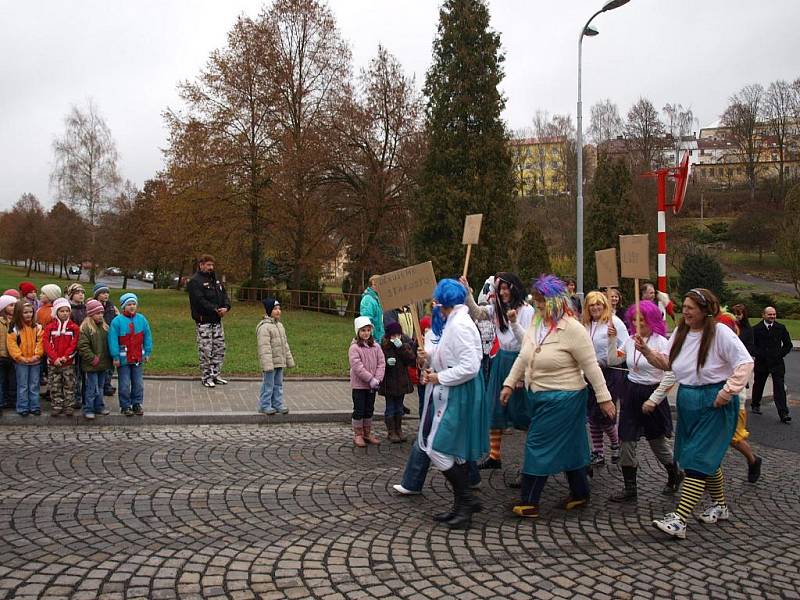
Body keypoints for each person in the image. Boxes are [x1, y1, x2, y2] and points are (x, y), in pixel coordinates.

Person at [640, 288, 753, 540]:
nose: (685, 311)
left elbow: (745, 362)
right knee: (704, 456)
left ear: (705, 310)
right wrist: (647, 352)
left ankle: (680, 519)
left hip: (714, 400)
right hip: (688, 399)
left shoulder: (721, 332)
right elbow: (668, 363)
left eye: (691, 307)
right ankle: (720, 506)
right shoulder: (681, 332)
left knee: (699, 459)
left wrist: (727, 392)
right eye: (685, 307)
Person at [500, 275, 615, 519]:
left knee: (537, 445)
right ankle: (580, 493)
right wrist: (509, 383)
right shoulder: (535, 321)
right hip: (540, 395)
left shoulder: (573, 329)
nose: (539, 305)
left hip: (565, 398)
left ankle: (529, 501)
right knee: (572, 446)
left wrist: (604, 398)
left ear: (556, 301)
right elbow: (524, 355)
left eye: (543, 301)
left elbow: (591, 365)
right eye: (537, 300)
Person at [416, 279, 487, 530]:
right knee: (450, 450)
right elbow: (449, 355)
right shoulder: (454, 322)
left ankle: (466, 501)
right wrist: (431, 358)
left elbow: (469, 366)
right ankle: (462, 504)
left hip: (460, 392)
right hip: (454, 389)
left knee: (438, 447)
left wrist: (438, 376)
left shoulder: (460, 325)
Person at [606, 301, 682, 502]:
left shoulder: (661, 343)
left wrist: (654, 399)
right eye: (634, 319)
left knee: (657, 442)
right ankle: (630, 487)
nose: (638, 323)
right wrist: (612, 339)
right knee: (626, 439)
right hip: (631, 392)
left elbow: (670, 372)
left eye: (642, 320)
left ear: (652, 320)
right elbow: (614, 360)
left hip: (652, 394)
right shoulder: (631, 340)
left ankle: (674, 473)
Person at [462, 272, 533, 471]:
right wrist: (467, 291)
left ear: (514, 288)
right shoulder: (496, 309)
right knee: (495, 407)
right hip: (501, 361)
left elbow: (528, 341)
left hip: (521, 360)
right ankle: (494, 456)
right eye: (499, 288)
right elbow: (476, 312)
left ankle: (530, 462)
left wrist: (521, 375)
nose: (502, 292)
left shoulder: (527, 311)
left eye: (505, 288)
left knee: (524, 413)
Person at [582, 290, 628, 466]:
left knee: (605, 413)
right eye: (591, 304)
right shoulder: (585, 324)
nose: (595, 307)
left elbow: (625, 346)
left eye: (598, 304)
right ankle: (598, 452)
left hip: (610, 372)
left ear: (604, 305)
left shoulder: (614, 322)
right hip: (589, 372)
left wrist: (612, 348)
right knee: (592, 414)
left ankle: (616, 444)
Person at [719, 308, 762, 483]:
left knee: (734, 438)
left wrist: (728, 392)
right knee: (711, 437)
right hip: (713, 399)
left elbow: (744, 369)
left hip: (735, 400)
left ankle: (753, 460)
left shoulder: (735, 348)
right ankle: (708, 475)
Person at [187, 254, 231, 388]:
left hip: (217, 321)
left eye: (212, 265)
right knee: (206, 350)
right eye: (208, 265)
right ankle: (206, 376)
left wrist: (226, 307)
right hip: (204, 321)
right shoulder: (195, 281)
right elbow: (199, 300)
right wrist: (215, 309)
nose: (211, 267)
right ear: (201, 265)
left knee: (219, 348)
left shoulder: (215, 280)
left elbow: (224, 295)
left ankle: (216, 374)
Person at [109, 293, 153, 417]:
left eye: (134, 304)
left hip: (138, 357)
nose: (132, 306)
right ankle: (125, 405)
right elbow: (112, 340)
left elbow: (147, 336)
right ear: (123, 307)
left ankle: (137, 403)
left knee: (138, 383)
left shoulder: (141, 319)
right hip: (123, 359)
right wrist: (115, 356)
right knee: (124, 384)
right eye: (129, 304)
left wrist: (147, 352)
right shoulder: (117, 322)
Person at [750, 306, 792, 423]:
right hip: (762, 362)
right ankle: (755, 404)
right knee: (759, 384)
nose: (772, 316)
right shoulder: (756, 329)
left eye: (774, 314)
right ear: (763, 315)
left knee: (779, 387)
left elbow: (788, 345)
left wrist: (780, 354)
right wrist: (759, 354)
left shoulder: (781, 328)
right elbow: (751, 346)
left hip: (777, 363)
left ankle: (783, 413)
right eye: (770, 314)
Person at [349, 316, 385, 447]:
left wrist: (377, 379)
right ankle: (358, 434)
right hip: (360, 385)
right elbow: (357, 367)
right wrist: (370, 378)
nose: (366, 333)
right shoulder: (354, 348)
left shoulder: (376, 346)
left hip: (372, 385)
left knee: (369, 408)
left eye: (368, 330)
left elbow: (381, 363)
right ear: (358, 332)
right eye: (363, 330)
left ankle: (367, 432)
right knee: (359, 409)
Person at [256, 299, 295, 415]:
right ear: (269, 311)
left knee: (278, 384)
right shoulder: (264, 327)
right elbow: (264, 348)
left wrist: (289, 359)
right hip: (270, 363)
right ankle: (265, 405)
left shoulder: (280, 326)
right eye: (275, 309)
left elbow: (285, 345)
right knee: (268, 384)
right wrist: (268, 364)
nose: (278, 311)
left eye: (279, 308)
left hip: (279, 361)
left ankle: (277, 403)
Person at [379, 321, 416, 442]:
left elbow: (411, 359)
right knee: (390, 407)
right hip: (389, 383)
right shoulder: (384, 347)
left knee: (399, 408)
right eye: (393, 336)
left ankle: (398, 429)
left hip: (401, 382)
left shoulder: (404, 345)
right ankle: (391, 431)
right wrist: (387, 362)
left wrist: (401, 348)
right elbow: (380, 362)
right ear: (389, 336)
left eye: (398, 335)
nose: (396, 338)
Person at [6, 300, 44, 416]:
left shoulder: (37, 327)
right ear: (19, 313)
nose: (28, 315)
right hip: (21, 362)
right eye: (25, 312)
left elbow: (40, 342)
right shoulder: (14, 329)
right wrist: (20, 357)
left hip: (35, 361)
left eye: (30, 312)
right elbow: (12, 345)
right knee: (22, 385)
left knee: (34, 384)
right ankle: (23, 407)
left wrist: (37, 355)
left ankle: (34, 406)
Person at [42, 298, 80, 416]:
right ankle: (57, 405)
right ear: (56, 312)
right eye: (61, 311)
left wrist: (65, 357)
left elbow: (74, 344)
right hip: (53, 363)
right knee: (55, 385)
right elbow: (46, 344)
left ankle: (69, 405)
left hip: (68, 363)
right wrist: (55, 358)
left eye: (67, 311)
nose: (64, 313)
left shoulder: (74, 328)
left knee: (69, 384)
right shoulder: (50, 327)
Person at [77, 299, 112, 420]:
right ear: (91, 314)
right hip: (92, 364)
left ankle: (99, 406)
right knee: (91, 387)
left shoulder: (105, 327)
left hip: (103, 364)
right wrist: (92, 358)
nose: (100, 316)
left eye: (102, 313)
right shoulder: (86, 328)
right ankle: (89, 408)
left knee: (101, 386)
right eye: (98, 313)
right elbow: (83, 346)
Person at [93, 283, 119, 397]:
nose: (106, 295)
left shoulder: (111, 306)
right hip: (98, 337)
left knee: (109, 364)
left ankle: (107, 384)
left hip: (110, 336)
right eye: (103, 293)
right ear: (97, 295)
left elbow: (116, 319)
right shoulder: (93, 305)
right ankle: (100, 385)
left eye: (107, 293)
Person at [67, 283, 87, 408]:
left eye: (82, 292)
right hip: (74, 347)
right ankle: (76, 397)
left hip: (85, 347)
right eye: (77, 292)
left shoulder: (87, 309)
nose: (81, 295)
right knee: (75, 374)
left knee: (86, 374)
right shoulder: (69, 310)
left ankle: (86, 397)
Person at [0, 294, 19, 412]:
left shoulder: (17, 321)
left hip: (14, 356)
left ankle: (12, 401)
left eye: (15, 305)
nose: (13, 307)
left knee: (13, 380)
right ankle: (1, 402)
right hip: (1, 356)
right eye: (11, 305)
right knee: (1, 381)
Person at [359, 275, 385, 348]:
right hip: (373, 339)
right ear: (371, 286)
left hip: (380, 336)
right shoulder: (368, 299)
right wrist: (370, 338)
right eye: (375, 284)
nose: (378, 286)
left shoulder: (378, 298)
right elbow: (367, 320)